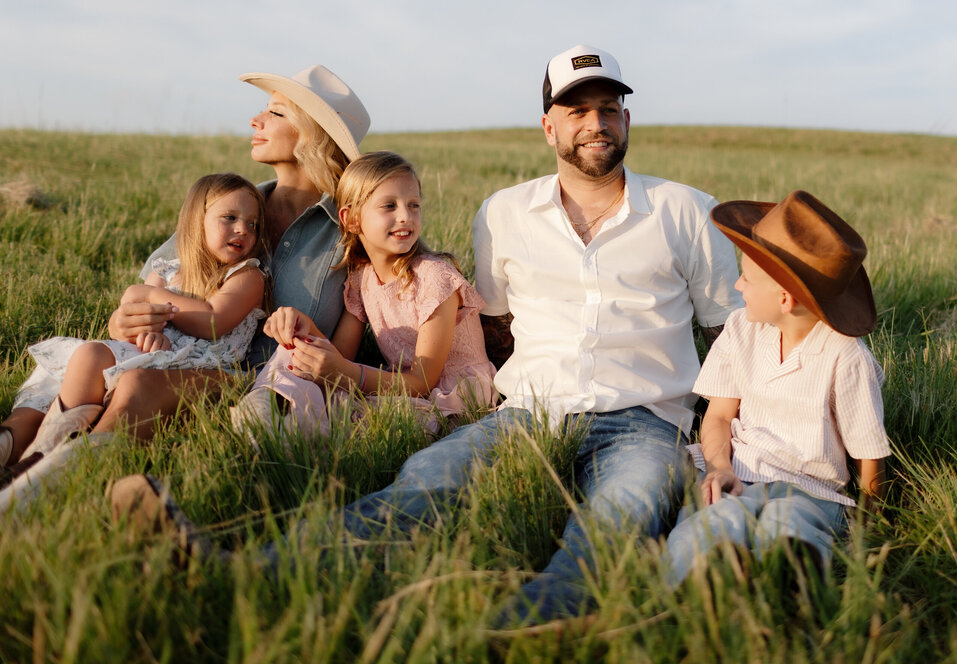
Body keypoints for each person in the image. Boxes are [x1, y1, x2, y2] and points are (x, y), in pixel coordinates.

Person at [111, 44, 742, 625]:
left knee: (623, 513)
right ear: (549, 126)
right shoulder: (505, 213)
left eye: (609, 110)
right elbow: (493, 327)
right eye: (576, 111)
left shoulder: (686, 210)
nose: (596, 124)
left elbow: (728, 339)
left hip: (646, 418)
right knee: (424, 481)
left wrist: (733, 443)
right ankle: (239, 574)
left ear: (627, 121)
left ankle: (537, 623)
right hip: (527, 411)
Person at [83, 65, 370, 445]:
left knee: (138, 386)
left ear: (312, 134)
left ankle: (48, 487)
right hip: (178, 360)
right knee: (74, 372)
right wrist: (125, 323)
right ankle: (25, 464)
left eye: (276, 112)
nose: (256, 120)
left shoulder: (351, 234)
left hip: (269, 389)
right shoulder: (229, 208)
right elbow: (149, 292)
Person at [661, 191, 891, 587]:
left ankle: (792, 575)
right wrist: (719, 467)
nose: (738, 284)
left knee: (792, 521)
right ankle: (701, 577)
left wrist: (870, 526)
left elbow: (869, 457)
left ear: (785, 299)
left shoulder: (845, 357)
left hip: (811, 490)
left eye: (746, 277)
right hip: (740, 472)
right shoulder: (740, 328)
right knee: (719, 515)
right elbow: (718, 414)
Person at [0, 173, 269, 472]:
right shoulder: (168, 271)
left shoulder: (247, 276)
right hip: (160, 357)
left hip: (203, 368)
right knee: (87, 355)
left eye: (252, 224)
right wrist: (147, 334)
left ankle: (49, 462)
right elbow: (134, 321)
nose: (242, 230)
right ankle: (42, 450)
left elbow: (212, 321)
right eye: (230, 217)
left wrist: (149, 294)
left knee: (91, 360)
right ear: (196, 220)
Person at [229, 151, 497, 440]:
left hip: (448, 398)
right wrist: (303, 329)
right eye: (389, 206)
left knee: (373, 424)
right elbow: (340, 356)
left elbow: (422, 381)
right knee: (294, 350)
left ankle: (296, 431)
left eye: (414, 205)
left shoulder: (435, 278)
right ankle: (263, 412)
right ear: (352, 219)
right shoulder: (362, 278)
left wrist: (345, 371)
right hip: (398, 389)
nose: (405, 216)